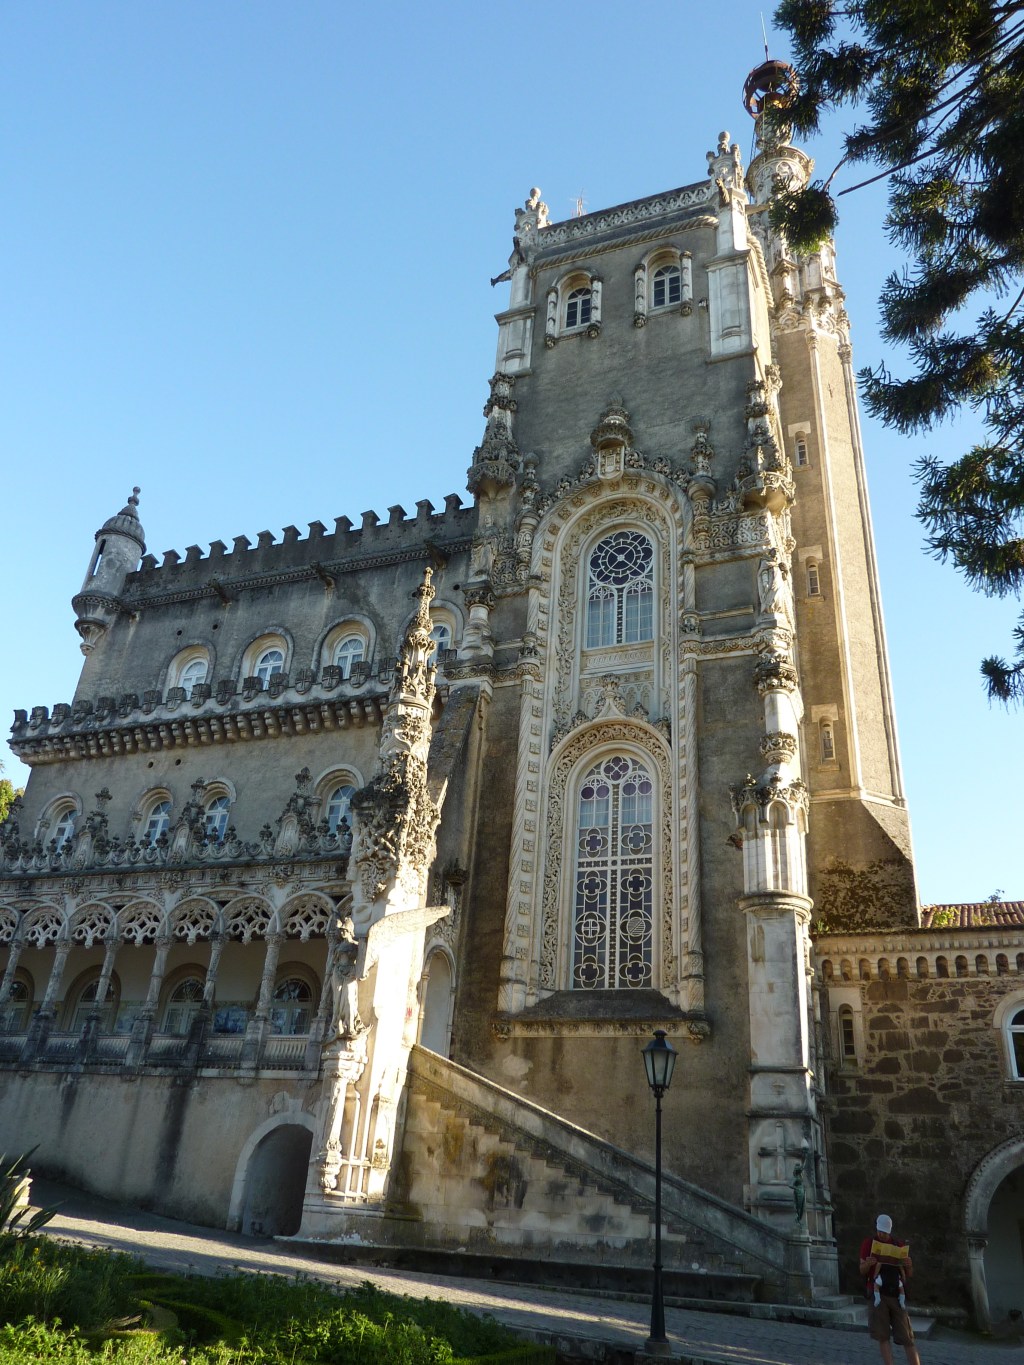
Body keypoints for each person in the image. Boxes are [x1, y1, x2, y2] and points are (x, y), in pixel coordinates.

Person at [859, 1214, 921, 1365]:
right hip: (877, 1292)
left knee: (907, 1337)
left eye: (885, 1232)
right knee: (883, 1336)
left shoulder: (898, 1245)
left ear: (890, 1231)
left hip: (896, 1293)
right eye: (880, 1231)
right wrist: (868, 1263)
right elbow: (862, 1270)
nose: (882, 1235)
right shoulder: (868, 1244)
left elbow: (909, 1273)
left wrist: (909, 1264)